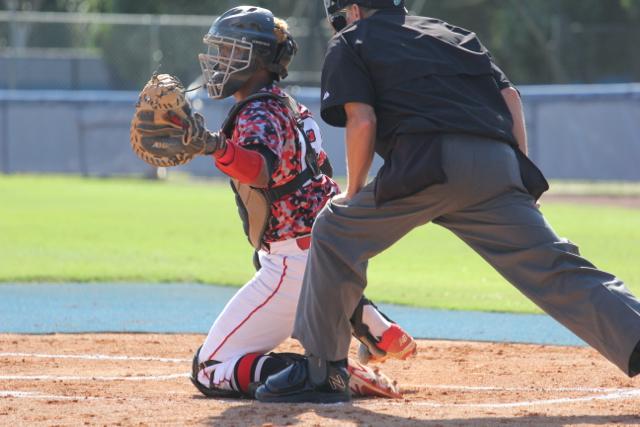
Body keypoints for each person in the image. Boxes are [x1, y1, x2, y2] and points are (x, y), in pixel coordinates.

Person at [255, 0, 640, 403]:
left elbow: (362, 120)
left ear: (351, 10)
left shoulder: (351, 41)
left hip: (427, 164)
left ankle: (322, 373)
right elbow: (510, 98)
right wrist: (519, 178)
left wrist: (352, 194)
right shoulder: (453, 34)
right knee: (557, 267)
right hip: (497, 163)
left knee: (334, 229)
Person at [189, 6, 416, 400]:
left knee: (208, 370)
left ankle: (330, 371)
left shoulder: (259, 109)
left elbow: (259, 170)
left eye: (229, 52)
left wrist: (212, 145)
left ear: (257, 61)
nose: (218, 61)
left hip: (294, 262)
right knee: (260, 257)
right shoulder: (287, 105)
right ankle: (364, 317)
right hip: (327, 250)